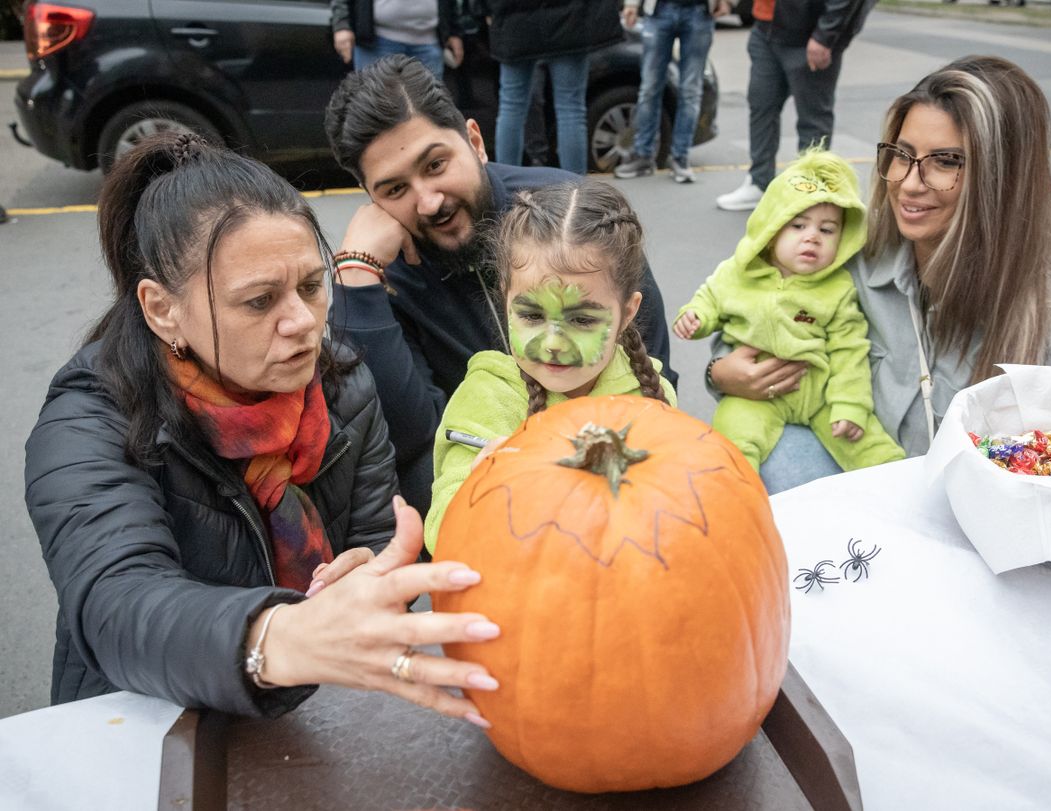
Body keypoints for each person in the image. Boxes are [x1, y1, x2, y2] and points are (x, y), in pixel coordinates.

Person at [24, 133, 500, 725]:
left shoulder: (342, 384)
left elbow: (379, 539)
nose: (302, 323)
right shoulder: (93, 418)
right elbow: (115, 607)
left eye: (309, 286)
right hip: (144, 728)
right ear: (162, 309)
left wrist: (375, 578)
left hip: (320, 709)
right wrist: (282, 633)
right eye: (258, 302)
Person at [708, 55, 1051, 492]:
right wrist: (722, 374)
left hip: (974, 526)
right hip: (858, 485)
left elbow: (1047, 496)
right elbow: (754, 311)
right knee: (767, 456)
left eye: (947, 161)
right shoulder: (854, 256)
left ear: (1001, 179)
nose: (911, 183)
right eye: (903, 155)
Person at [323, 55, 677, 516]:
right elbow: (409, 442)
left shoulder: (567, 217)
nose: (429, 202)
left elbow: (650, 368)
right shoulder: (385, 277)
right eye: (394, 190)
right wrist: (357, 278)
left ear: (475, 141)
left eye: (435, 165)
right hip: (482, 497)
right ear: (372, 200)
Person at [424, 179, 677, 550]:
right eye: (531, 315)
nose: (554, 344)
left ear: (627, 313)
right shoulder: (488, 397)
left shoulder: (652, 392)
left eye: (582, 320)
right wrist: (482, 488)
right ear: (505, 303)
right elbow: (444, 536)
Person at [675, 150, 903, 472]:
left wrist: (850, 405)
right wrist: (695, 317)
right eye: (798, 225)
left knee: (869, 445)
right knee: (733, 443)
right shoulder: (738, 273)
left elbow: (850, 350)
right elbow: (709, 298)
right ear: (771, 233)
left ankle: (901, 483)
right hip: (753, 398)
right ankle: (733, 498)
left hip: (820, 397)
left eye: (827, 230)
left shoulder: (837, 288)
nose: (812, 236)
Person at [715, 0, 874, 211]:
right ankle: (759, 182)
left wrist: (825, 36)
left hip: (808, 36)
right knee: (761, 107)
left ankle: (809, 190)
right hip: (765, 29)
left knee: (813, 118)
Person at [486, 0, 624, 174]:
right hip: (569, 19)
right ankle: (577, 190)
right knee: (571, 109)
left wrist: (487, 10)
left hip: (515, 20)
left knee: (511, 107)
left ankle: (505, 186)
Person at [612, 0, 730, 184]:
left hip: (698, 11)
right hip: (660, 10)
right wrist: (632, 4)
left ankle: (680, 157)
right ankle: (643, 155)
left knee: (690, 91)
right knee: (649, 89)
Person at [331, 0, 460, 77]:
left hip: (429, 42)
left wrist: (454, 31)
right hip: (377, 42)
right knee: (374, 111)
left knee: (429, 114)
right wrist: (342, 24)